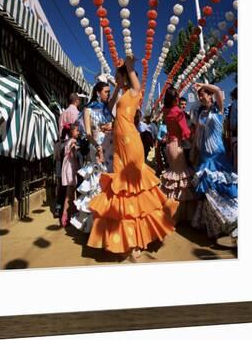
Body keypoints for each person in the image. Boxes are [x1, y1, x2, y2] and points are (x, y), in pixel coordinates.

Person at [87, 56, 178, 261]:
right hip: (119, 147)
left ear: (126, 77)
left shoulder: (134, 92)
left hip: (131, 144)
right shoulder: (121, 94)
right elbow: (109, 108)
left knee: (135, 189)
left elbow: (134, 80)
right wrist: (117, 86)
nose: (117, 79)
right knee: (121, 190)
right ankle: (124, 237)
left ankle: (138, 240)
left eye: (119, 76)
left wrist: (128, 65)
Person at [191, 83, 238, 239]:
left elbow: (218, 90)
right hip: (205, 155)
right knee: (208, 192)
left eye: (204, 94)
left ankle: (231, 220)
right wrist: (195, 149)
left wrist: (203, 85)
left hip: (217, 156)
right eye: (199, 95)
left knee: (219, 190)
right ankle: (214, 225)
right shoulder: (201, 112)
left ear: (210, 95)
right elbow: (198, 133)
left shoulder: (218, 108)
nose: (201, 97)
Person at [70, 81, 116, 233]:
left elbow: (116, 97)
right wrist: (97, 147)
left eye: (109, 92)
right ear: (98, 92)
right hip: (97, 148)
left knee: (110, 184)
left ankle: (109, 222)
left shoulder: (107, 108)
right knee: (98, 184)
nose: (108, 94)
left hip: (110, 148)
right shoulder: (88, 110)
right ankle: (96, 226)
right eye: (106, 92)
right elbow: (88, 133)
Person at [161, 87, 196, 223]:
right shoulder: (177, 112)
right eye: (177, 97)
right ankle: (179, 213)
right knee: (180, 178)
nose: (178, 99)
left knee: (173, 178)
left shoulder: (165, 110)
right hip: (177, 146)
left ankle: (171, 209)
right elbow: (186, 132)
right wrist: (195, 133)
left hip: (169, 145)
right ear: (175, 98)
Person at [54, 93, 81, 218]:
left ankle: (58, 208)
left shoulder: (62, 113)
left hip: (61, 146)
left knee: (61, 179)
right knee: (71, 182)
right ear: (76, 101)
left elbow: (60, 131)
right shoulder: (76, 113)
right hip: (71, 147)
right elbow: (76, 130)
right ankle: (70, 211)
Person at [60, 123, 80, 227]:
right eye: (77, 130)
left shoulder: (66, 141)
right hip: (71, 170)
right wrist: (77, 149)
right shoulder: (73, 141)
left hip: (68, 168)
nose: (78, 132)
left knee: (70, 193)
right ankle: (66, 216)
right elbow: (73, 153)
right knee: (70, 194)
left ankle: (69, 215)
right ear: (72, 132)